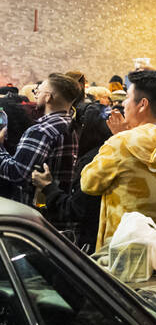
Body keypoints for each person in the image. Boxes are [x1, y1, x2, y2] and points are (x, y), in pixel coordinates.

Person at [81, 70, 156, 249]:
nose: (123, 103)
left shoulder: (120, 143)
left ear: (142, 104)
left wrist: (119, 138)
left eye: (128, 97)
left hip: (124, 249)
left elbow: (89, 183)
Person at [32, 101, 109, 250]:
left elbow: (77, 210)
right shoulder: (109, 152)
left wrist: (48, 187)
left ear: (82, 131)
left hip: (94, 244)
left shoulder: (93, 162)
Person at [0, 73, 80, 206]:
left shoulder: (41, 131)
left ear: (48, 97)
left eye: (38, 91)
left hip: (34, 213)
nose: (35, 94)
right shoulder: (71, 124)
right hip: (58, 206)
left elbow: (17, 174)